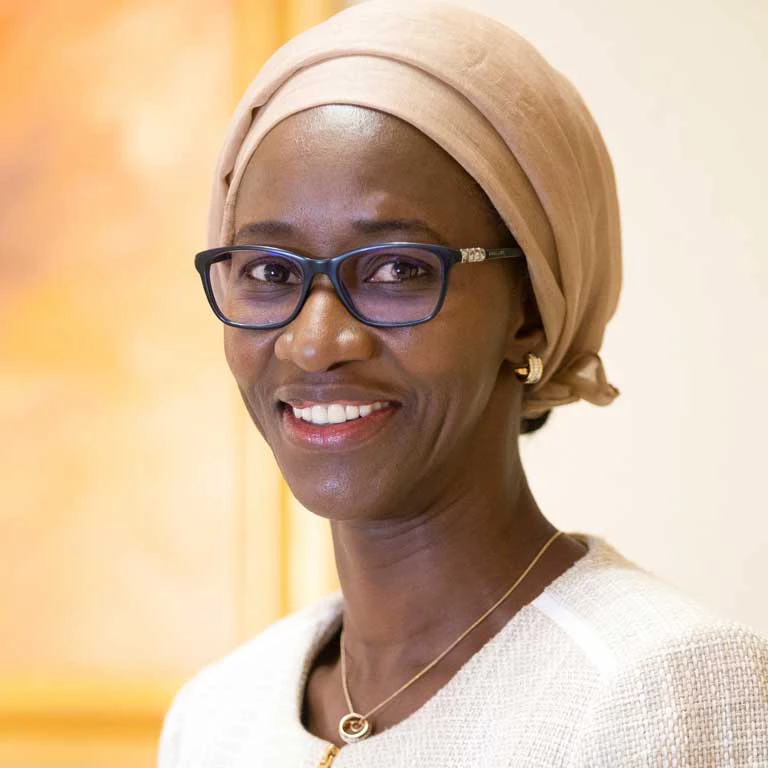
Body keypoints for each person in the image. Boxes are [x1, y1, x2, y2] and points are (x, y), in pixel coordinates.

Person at [158, 2, 768, 766]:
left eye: (397, 268)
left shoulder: (659, 688)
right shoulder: (216, 715)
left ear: (531, 308)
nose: (314, 342)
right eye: (270, 273)